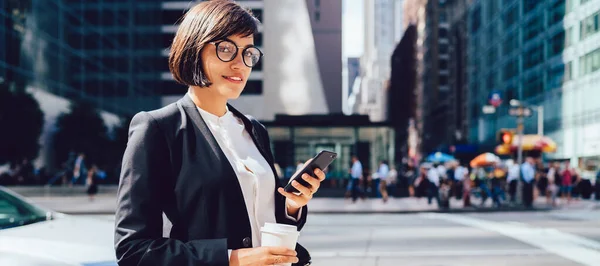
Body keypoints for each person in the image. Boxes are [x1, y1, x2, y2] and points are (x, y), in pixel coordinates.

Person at [113, 2, 324, 265]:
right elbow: (134, 249)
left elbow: (260, 220)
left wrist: (292, 206)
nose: (240, 64)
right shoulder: (158, 129)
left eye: (248, 53)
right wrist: (232, 259)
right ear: (194, 49)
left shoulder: (254, 130)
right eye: (225, 49)